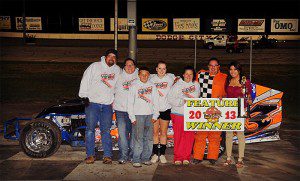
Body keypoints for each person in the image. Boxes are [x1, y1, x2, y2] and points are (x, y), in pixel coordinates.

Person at [79, 49, 121, 164]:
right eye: (109, 56)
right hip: (93, 103)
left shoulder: (117, 70)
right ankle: (90, 155)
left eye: (114, 57)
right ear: (105, 57)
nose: (111, 59)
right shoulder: (94, 66)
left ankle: (107, 155)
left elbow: (122, 84)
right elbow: (85, 80)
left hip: (107, 105)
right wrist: (84, 96)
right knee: (90, 130)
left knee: (106, 131)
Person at [193, 57, 227, 165]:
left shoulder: (225, 77)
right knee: (200, 135)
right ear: (208, 66)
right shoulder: (200, 75)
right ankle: (197, 156)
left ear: (219, 67)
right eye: (211, 65)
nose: (213, 68)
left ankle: (213, 156)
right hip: (203, 109)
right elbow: (189, 80)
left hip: (217, 109)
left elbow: (229, 92)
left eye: (215, 65)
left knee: (215, 135)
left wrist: (224, 97)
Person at [127, 66, 160, 167]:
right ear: (139, 75)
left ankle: (146, 158)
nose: (144, 76)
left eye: (146, 75)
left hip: (149, 115)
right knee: (138, 138)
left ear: (149, 75)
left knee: (149, 138)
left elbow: (156, 101)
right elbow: (130, 103)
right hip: (138, 115)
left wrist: (155, 115)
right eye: (142, 74)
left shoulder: (152, 86)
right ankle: (136, 159)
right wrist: (132, 117)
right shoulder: (134, 86)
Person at [167, 66, 200, 165]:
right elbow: (170, 99)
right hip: (178, 113)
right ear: (183, 74)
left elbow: (196, 97)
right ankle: (178, 157)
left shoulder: (196, 84)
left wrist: (189, 101)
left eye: (191, 74)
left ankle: (186, 157)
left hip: (191, 114)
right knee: (179, 136)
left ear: (193, 75)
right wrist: (182, 101)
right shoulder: (177, 85)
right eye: (187, 74)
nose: (188, 76)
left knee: (189, 137)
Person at [223, 61, 252, 168]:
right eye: (231, 69)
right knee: (228, 134)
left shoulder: (245, 81)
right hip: (229, 110)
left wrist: (249, 100)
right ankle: (228, 158)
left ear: (239, 70)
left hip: (241, 109)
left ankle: (240, 159)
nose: (233, 71)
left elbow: (249, 96)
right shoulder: (228, 80)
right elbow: (226, 95)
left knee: (240, 134)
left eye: (235, 69)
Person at [150, 61, 176, 164]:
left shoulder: (170, 78)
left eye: (164, 68)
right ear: (156, 69)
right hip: (154, 109)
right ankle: (156, 154)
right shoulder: (151, 78)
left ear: (166, 70)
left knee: (164, 133)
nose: (162, 70)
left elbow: (180, 80)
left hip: (166, 109)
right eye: (160, 68)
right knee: (155, 133)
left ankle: (163, 154)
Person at [114, 58, 138, 164]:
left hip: (135, 111)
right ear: (124, 67)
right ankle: (123, 155)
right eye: (127, 65)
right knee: (123, 135)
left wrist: (175, 78)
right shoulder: (118, 76)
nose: (129, 67)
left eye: (131, 65)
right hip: (121, 110)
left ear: (135, 66)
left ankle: (133, 155)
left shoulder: (139, 76)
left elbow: (155, 80)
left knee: (134, 135)